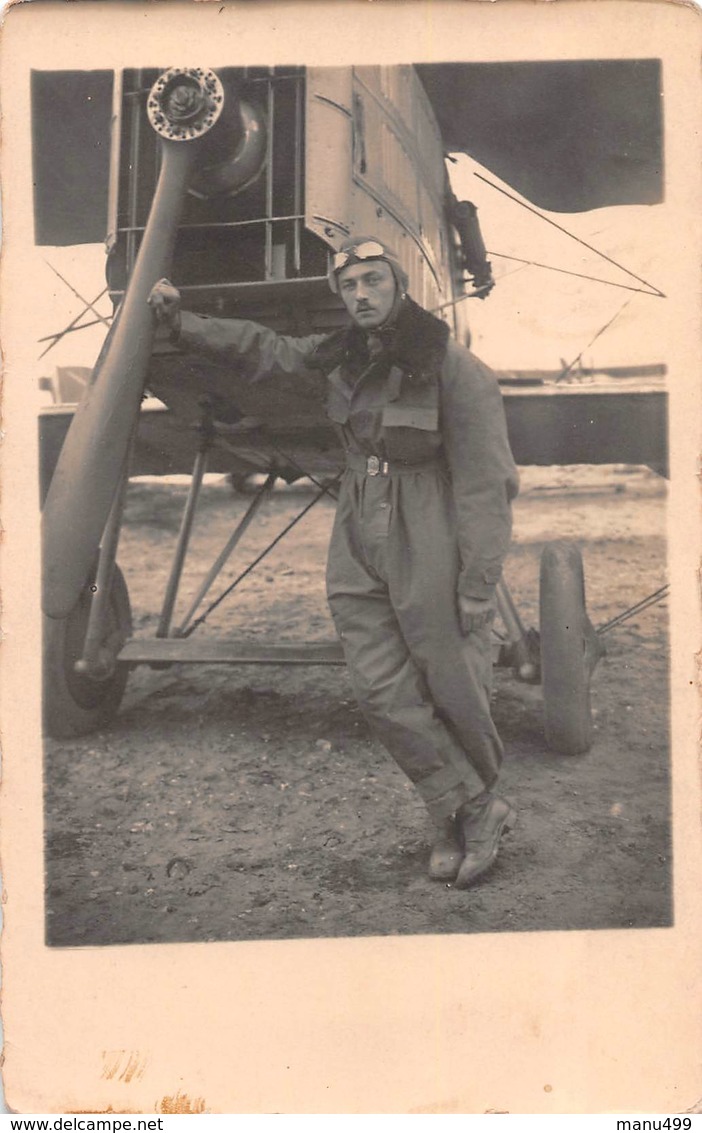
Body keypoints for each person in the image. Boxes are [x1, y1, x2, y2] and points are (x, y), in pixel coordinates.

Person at [148, 235, 519, 889]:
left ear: (399, 287)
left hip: (424, 523)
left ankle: (474, 809)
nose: (362, 295)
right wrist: (182, 324)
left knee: (453, 684)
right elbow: (263, 351)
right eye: (349, 287)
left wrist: (477, 582)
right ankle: (461, 802)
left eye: (374, 281)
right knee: (380, 687)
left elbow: (488, 484)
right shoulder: (341, 356)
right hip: (356, 523)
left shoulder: (454, 368)